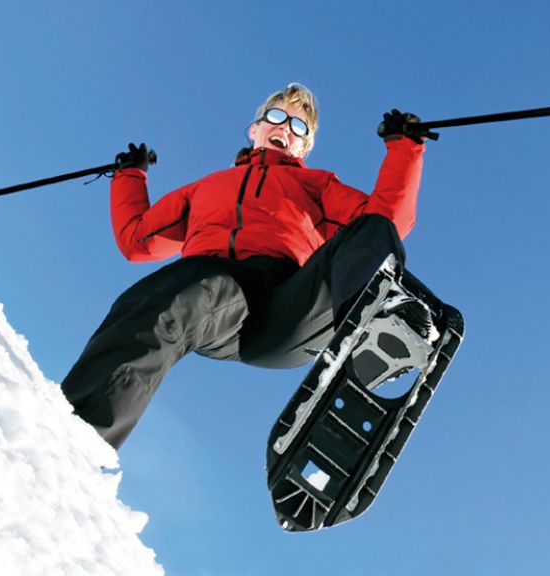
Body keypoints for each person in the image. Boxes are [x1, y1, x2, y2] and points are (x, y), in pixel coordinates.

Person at [61, 83, 437, 449]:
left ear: (304, 145)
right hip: (211, 295)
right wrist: (130, 175)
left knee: (370, 225)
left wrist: (405, 149)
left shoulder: (315, 185)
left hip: (289, 308)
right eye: (276, 117)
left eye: (298, 127)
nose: (285, 128)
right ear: (255, 128)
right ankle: (80, 438)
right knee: (162, 299)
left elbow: (388, 221)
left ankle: (375, 328)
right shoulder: (207, 188)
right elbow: (138, 241)